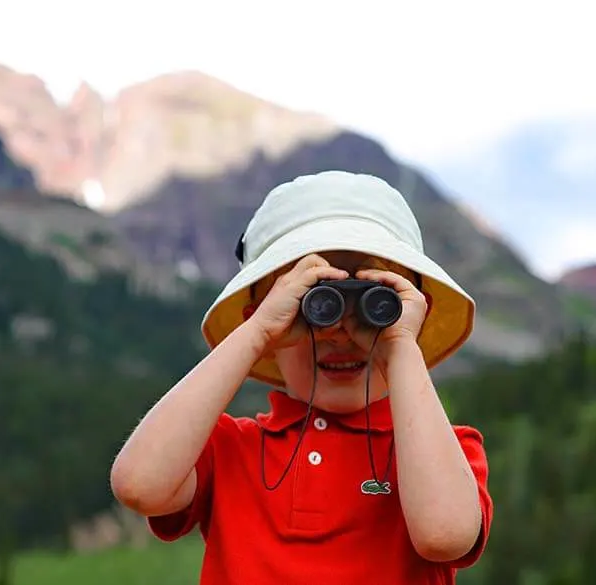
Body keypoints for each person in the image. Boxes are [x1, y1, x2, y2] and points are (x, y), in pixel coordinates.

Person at [110, 170, 493, 584]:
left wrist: (399, 345)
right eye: (315, 304)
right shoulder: (228, 449)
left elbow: (445, 535)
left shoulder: (447, 451)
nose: (342, 333)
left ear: (413, 311)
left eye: (373, 306)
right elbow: (139, 484)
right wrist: (257, 332)